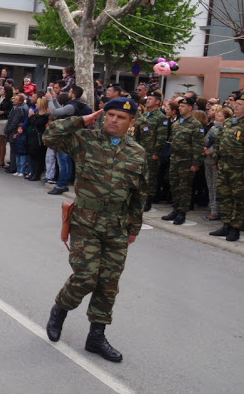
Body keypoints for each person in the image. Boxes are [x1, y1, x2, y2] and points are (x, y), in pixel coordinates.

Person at [45, 97, 147, 363]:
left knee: (108, 283)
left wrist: (134, 227)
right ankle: (60, 310)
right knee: (87, 276)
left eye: (120, 117)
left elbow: (139, 194)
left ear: (131, 122)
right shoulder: (85, 139)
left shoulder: (137, 152)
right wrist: (81, 120)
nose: (113, 120)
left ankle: (96, 337)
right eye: (110, 114)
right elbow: (50, 136)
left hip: (117, 225)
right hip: (86, 222)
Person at [161, 97, 205, 225]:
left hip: (187, 161)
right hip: (175, 159)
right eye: (179, 106)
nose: (180, 108)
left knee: (184, 188)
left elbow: (198, 146)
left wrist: (196, 163)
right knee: (174, 185)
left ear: (190, 108)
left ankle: (182, 213)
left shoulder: (196, 125)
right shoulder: (177, 123)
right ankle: (175, 209)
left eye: (183, 106)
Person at [210, 95, 244, 241]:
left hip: (239, 168)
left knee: (238, 198)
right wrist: (216, 158)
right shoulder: (228, 122)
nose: (236, 106)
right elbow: (219, 141)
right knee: (224, 195)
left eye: (240, 104)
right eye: (236, 104)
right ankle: (226, 224)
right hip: (224, 165)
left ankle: (235, 227)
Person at [132, 91, 168, 211]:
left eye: (151, 99)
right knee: (139, 175)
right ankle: (139, 197)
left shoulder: (161, 117)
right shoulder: (144, 116)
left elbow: (161, 137)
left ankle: (148, 200)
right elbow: (136, 133)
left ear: (158, 102)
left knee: (150, 177)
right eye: (147, 98)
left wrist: (156, 153)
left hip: (151, 152)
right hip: (140, 151)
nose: (147, 100)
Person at [204, 106, 232, 221]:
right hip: (208, 160)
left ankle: (216, 210)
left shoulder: (225, 130)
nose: (216, 117)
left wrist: (210, 151)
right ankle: (212, 206)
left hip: (216, 160)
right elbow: (205, 140)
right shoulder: (213, 128)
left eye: (220, 116)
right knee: (210, 185)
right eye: (217, 115)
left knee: (216, 186)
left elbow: (222, 146)